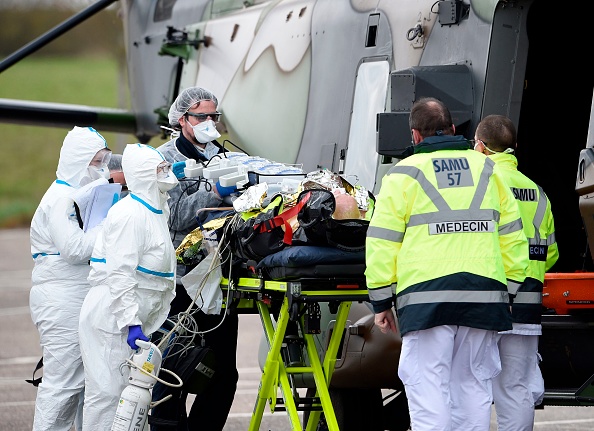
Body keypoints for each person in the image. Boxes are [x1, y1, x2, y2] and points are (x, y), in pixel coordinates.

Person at [365, 97, 530, 431]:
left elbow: (382, 241)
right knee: (472, 387)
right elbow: (513, 237)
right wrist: (508, 291)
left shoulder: (402, 175)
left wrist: (381, 299)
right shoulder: (488, 169)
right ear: (454, 129)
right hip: (484, 297)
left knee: (429, 389)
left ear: (415, 135)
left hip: (426, 299)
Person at [152, 86, 239, 430]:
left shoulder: (225, 155)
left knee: (224, 374)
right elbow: (173, 216)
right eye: (200, 116)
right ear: (182, 119)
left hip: (218, 276)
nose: (208, 123)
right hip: (181, 281)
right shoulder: (164, 159)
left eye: (213, 116)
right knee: (176, 368)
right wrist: (214, 192)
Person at [78, 143, 178, 429]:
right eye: (161, 169)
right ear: (144, 174)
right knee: (107, 395)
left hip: (133, 318)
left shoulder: (156, 210)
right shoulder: (129, 215)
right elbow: (120, 275)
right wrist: (130, 321)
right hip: (113, 318)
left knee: (131, 399)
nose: (167, 174)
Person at [474, 114, 559, 430]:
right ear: (515, 148)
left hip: (486, 297)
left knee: (473, 387)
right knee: (517, 389)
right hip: (527, 302)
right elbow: (550, 254)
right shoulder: (539, 193)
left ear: (480, 148)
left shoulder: (482, 184)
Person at [29, 126, 112, 431]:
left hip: (78, 293)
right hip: (60, 297)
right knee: (62, 384)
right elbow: (74, 248)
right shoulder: (60, 198)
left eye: (104, 160)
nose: (101, 168)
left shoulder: (77, 194)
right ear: (79, 160)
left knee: (82, 384)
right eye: (96, 161)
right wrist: (108, 230)